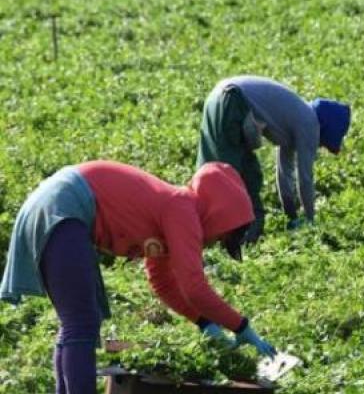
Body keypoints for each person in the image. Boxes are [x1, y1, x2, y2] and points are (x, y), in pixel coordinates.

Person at [0, 161, 277, 394]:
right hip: (63, 206)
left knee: (77, 324)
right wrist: (241, 326)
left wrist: (204, 322)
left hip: (54, 203)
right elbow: (194, 286)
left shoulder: (173, 212)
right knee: (81, 324)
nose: (216, 241)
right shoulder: (183, 209)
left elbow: (163, 282)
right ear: (219, 215)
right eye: (223, 235)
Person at [196, 75, 352, 242]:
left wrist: (290, 217)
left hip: (218, 97)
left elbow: (284, 174)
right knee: (228, 179)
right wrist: (310, 220)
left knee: (239, 174)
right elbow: (305, 178)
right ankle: (226, 239)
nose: (320, 146)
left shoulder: (295, 118)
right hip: (232, 102)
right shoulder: (310, 123)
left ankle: (210, 230)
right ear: (326, 129)